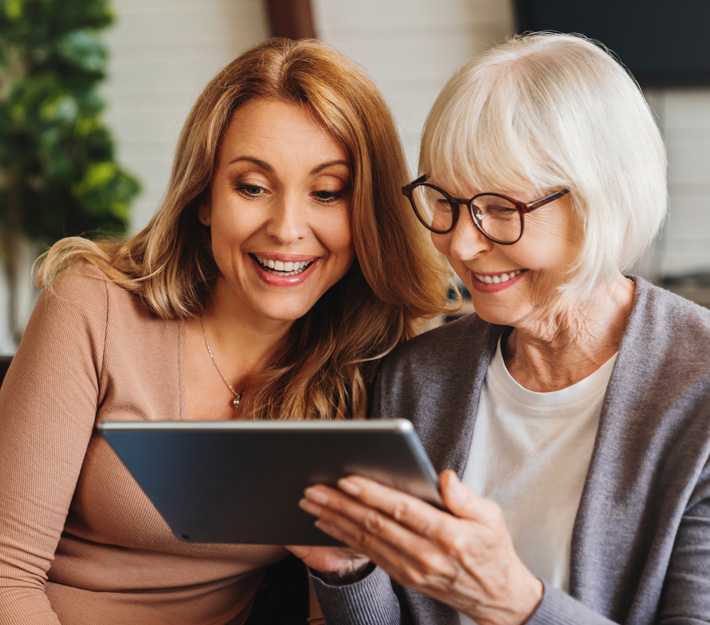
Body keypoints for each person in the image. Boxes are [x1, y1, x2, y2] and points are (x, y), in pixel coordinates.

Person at [0, 37, 451, 625]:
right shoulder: (95, 306)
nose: (288, 229)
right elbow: (7, 571)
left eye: (326, 192)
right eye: (253, 187)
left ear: (364, 213)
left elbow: (333, 613)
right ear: (204, 197)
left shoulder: (374, 366)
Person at [294, 32, 710, 624]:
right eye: (445, 200)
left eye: (501, 208)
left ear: (600, 198)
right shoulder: (419, 377)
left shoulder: (699, 390)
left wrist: (511, 601)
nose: (460, 244)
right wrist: (348, 570)